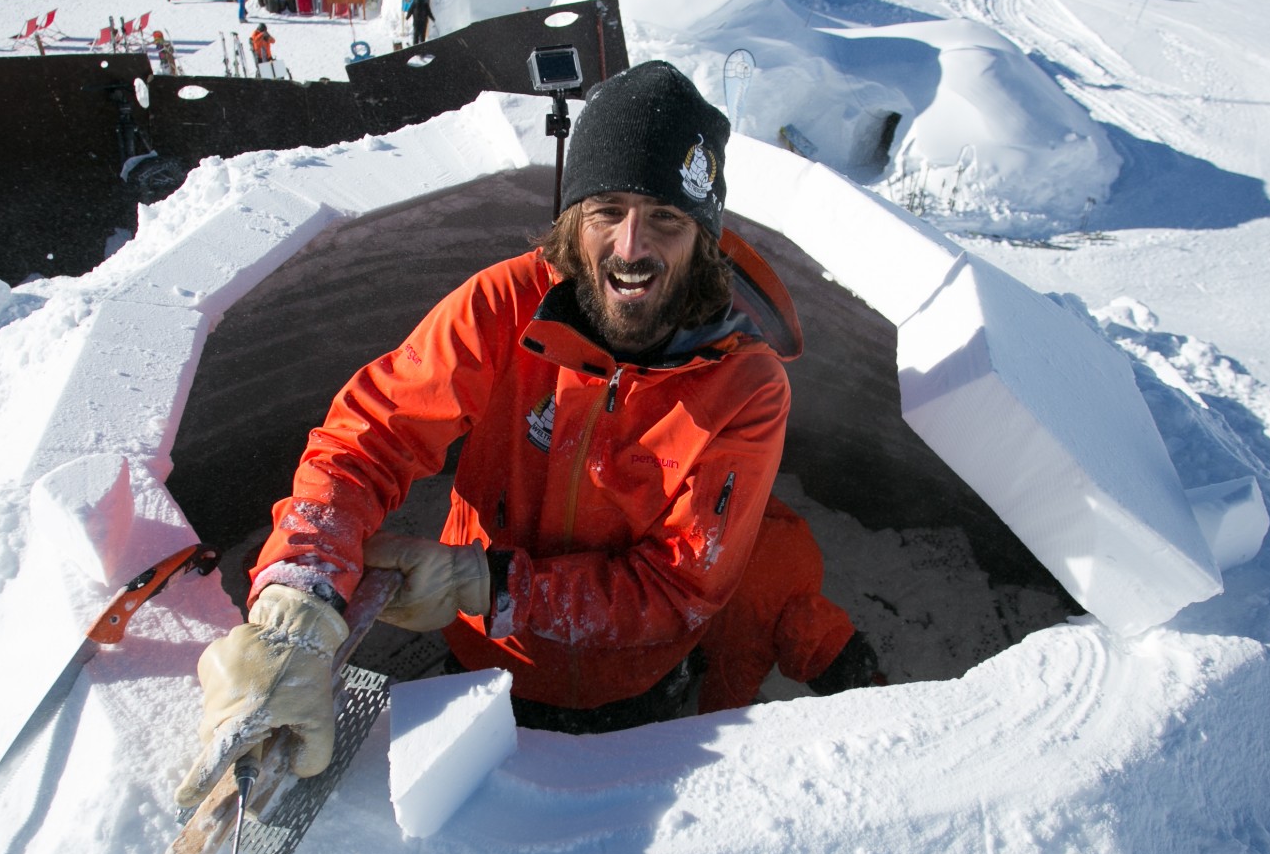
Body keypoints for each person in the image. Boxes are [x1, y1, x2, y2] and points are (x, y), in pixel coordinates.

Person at [176, 61, 810, 806]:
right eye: (607, 208)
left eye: (666, 218)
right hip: (481, 660)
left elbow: (675, 589)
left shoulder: (747, 386)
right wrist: (299, 595)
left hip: (633, 688)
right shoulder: (508, 305)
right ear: (574, 217)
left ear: (704, 237)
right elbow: (373, 433)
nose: (631, 246)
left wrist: (489, 582)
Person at [696, 498, 884, 712]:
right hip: (663, 567)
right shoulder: (746, 657)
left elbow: (757, 497)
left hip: (693, 509)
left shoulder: (808, 556)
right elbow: (716, 716)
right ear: (809, 676)